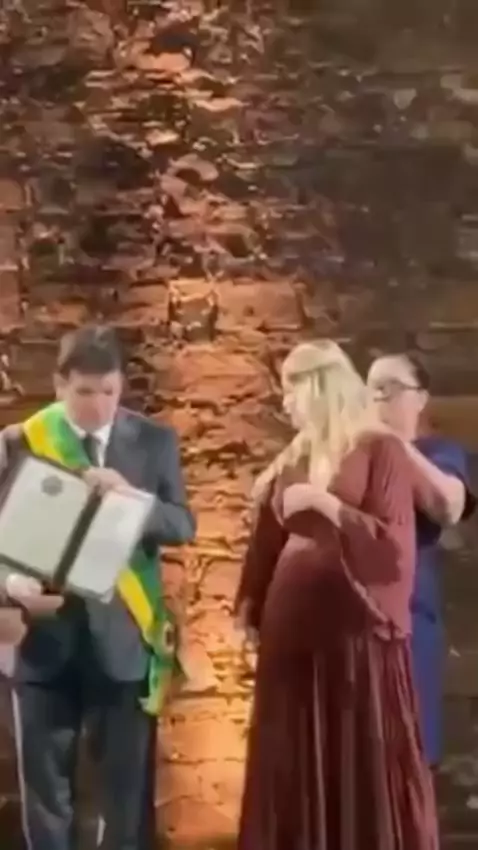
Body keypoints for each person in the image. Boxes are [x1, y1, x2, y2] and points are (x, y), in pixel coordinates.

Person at [234, 340, 438, 850]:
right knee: (293, 759)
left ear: (319, 387)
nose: (285, 403)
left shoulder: (379, 448)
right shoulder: (293, 457)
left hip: (355, 639)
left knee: (359, 753)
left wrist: (327, 506)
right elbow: (265, 543)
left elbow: (393, 549)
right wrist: (248, 608)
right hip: (292, 639)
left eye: (291, 389)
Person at [0, 325, 195, 850]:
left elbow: (182, 524)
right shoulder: (21, 441)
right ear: (60, 385)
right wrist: (13, 585)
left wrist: (132, 498)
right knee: (47, 800)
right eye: (85, 391)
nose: (98, 405)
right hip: (43, 644)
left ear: (121, 386)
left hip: (123, 642)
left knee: (125, 800)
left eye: (109, 391)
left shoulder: (153, 441)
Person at [367, 353, 475, 767]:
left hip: (410, 623)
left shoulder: (438, 453)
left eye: (391, 388)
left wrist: (392, 444)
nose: (379, 398)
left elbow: (448, 505)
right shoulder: (356, 457)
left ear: (421, 398)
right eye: (372, 389)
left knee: (408, 754)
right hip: (353, 628)